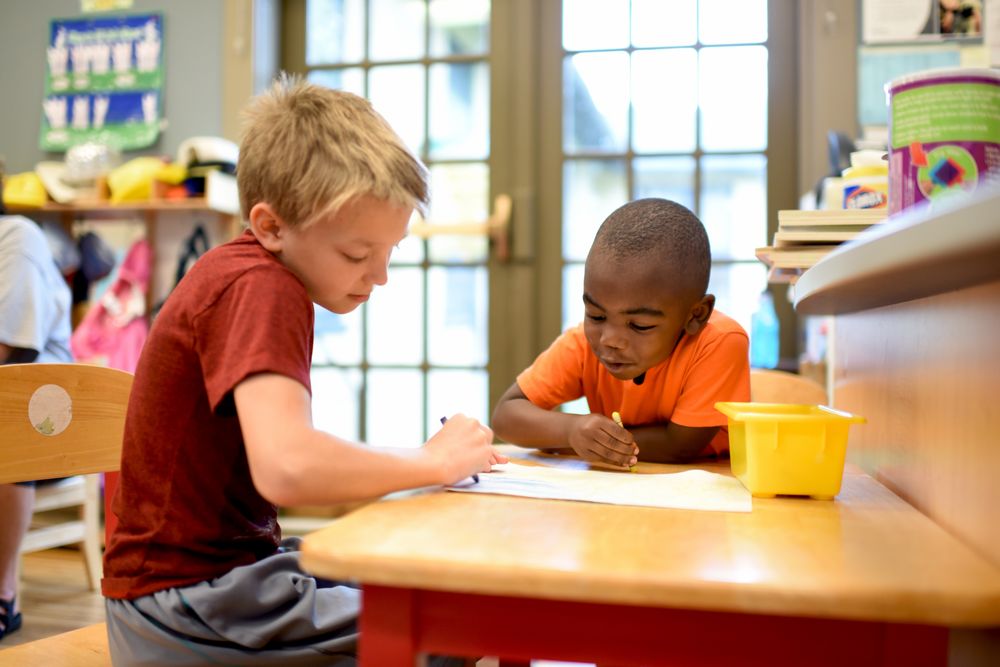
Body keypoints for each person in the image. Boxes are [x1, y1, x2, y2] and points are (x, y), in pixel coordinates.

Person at [100, 75, 505, 666]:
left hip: (212, 588)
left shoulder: (250, 274)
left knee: (436, 595)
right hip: (187, 604)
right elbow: (287, 468)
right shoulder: (262, 287)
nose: (379, 276)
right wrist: (432, 462)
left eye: (387, 252)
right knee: (449, 629)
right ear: (270, 226)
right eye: (357, 255)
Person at [492, 198, 750, 466]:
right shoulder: (581, 343)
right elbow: (505, 415)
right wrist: (571, 431)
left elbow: (680, 446)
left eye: (639, 325)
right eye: (597, 315)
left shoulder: (720, 342)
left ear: (696, 315)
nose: (609, 340)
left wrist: (574, 446)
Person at [0, 210, 74, 641]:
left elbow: (13, 350)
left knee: (8, 422)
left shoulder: (17, 236)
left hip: (50, 410)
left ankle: (3, 592)